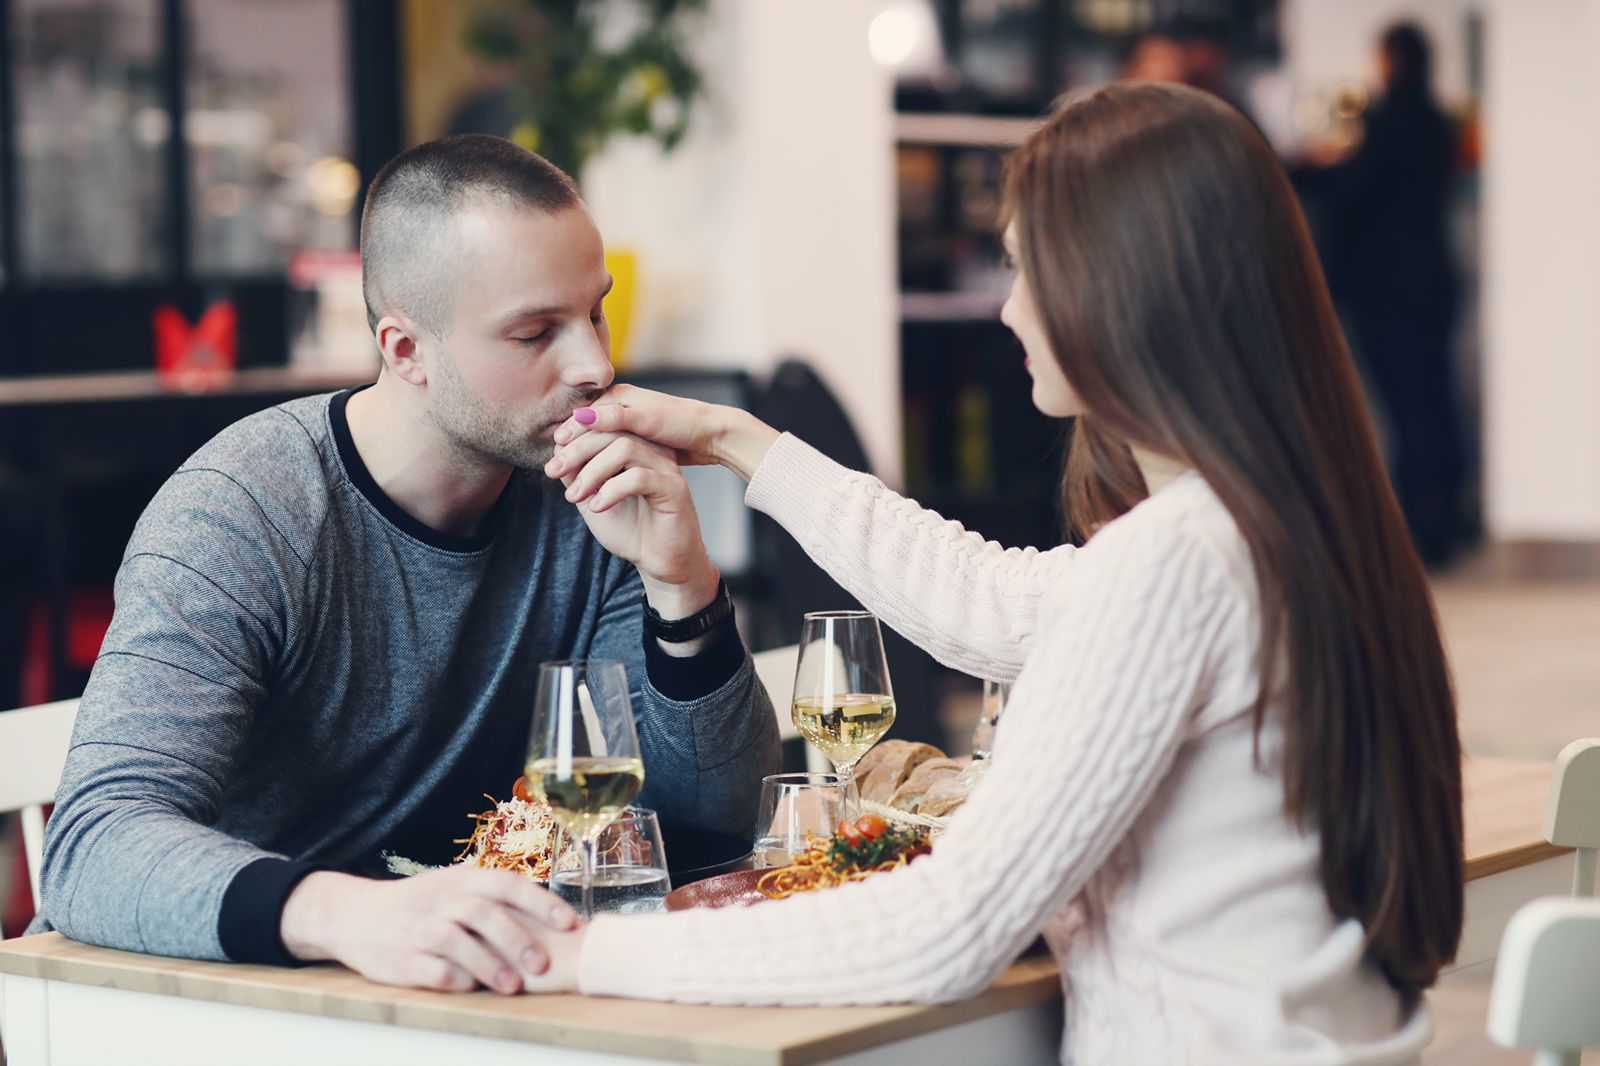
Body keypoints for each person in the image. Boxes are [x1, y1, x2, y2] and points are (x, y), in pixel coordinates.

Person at [528, 84, 1465, 1064]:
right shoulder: (1280, 520)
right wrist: (732, 438)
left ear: (1122, 285)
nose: (1006, 306)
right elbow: (988, 598)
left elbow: (947, 924)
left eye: (1023, 268)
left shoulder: (1174, 560)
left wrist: (592, 951)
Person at [31, 135, 780, 997]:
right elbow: (93, 846)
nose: (595, 366)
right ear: (405, 351)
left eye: (595, 313)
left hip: (436, 1001)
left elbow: (710, 821)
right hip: (202, 1004)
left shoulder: (584, 495)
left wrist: (681, 586)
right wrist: (359, 915)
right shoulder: (244, 509)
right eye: (536, 332)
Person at [1302, 22, 1468, 567]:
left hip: (1388, 291)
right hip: (1433, 284)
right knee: (1435, 403)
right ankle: (1443, 520)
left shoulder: (1386, 121)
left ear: (1390, 59)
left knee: (1405, 412)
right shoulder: (1438, 122)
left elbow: (1351, 196)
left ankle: (1419, 531)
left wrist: (1315, 165)